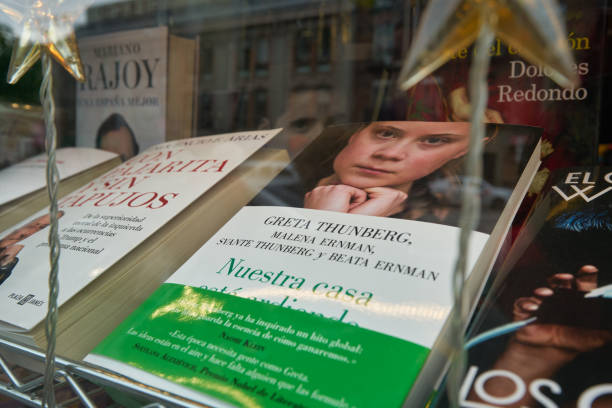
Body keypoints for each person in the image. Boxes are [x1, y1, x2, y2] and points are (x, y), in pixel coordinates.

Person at [302, 121, 473, 223]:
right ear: (355, 133)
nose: (390, 154)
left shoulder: (439, 236)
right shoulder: (278, 193)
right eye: (386, 133)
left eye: (433, 140)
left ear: (463, 150)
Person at [0, 212, 64, 285]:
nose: (33, 229)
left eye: (42, 227)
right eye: (34, 224)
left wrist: (6, 261)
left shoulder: (11, 259)